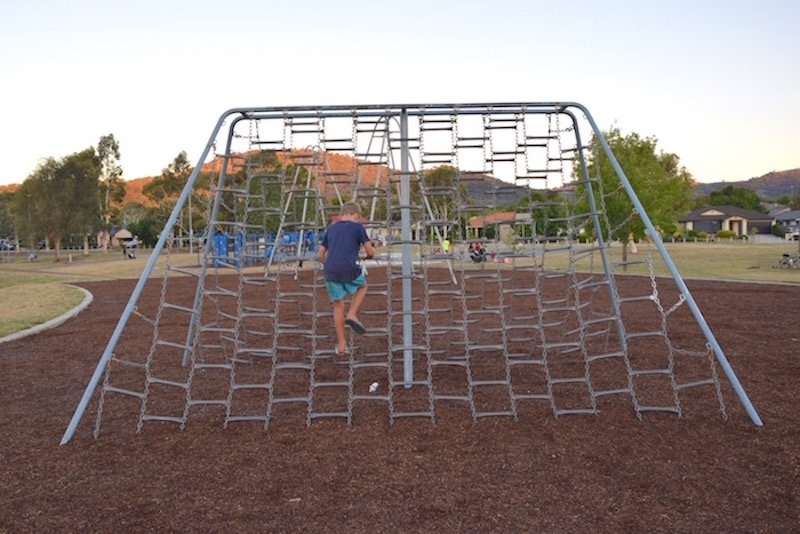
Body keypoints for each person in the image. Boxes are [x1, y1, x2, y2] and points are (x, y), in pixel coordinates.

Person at [318, 202, 375, 357]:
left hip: (330, 269)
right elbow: (370, 250)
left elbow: (320, 253)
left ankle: (342, 345)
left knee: (338, 306)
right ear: (353, 214)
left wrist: (327, 264)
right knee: (362, 286)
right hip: (348, 266)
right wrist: (369, 256)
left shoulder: (331, 228)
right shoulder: (357, 227)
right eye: (358, 217)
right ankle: (352, 314)